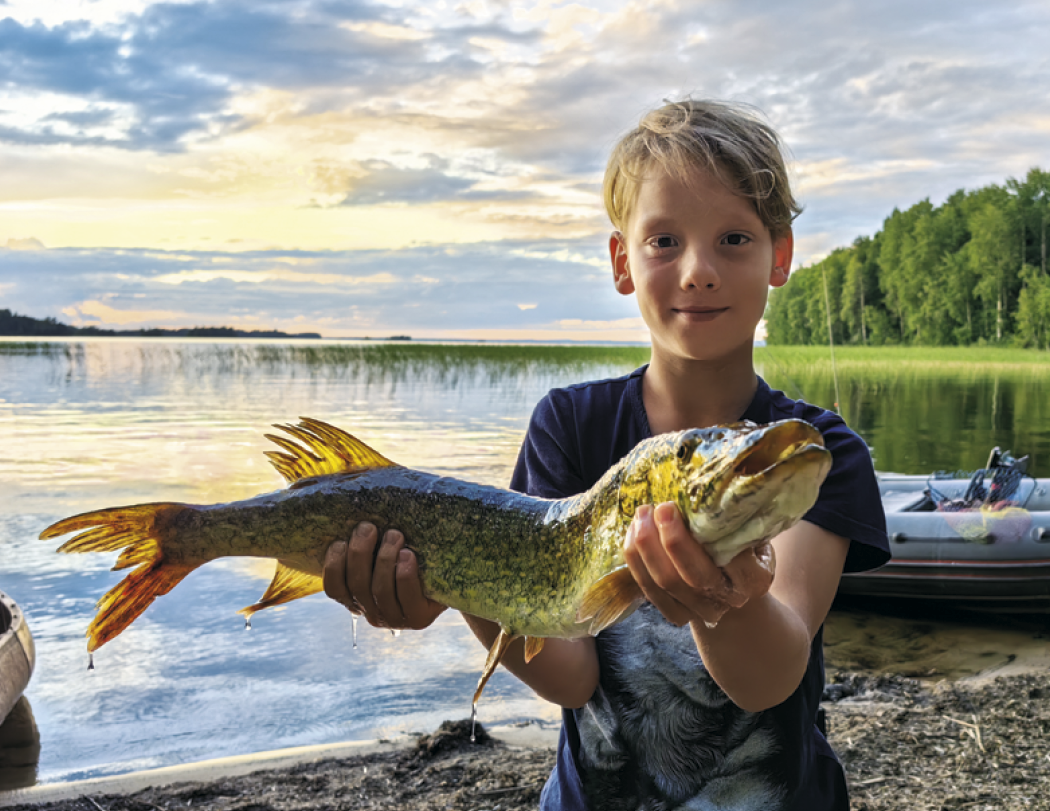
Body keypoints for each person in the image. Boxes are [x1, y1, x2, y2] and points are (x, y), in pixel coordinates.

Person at [322, 98, 889, 810]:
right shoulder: (570, 425)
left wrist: (730, 600)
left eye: (734, 239)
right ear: (623, 261)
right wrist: (450, 581)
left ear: (780, 255)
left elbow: (771, 677)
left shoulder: (813, 452)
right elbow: (571, 677)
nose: (699, 271)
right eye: (665, 241)